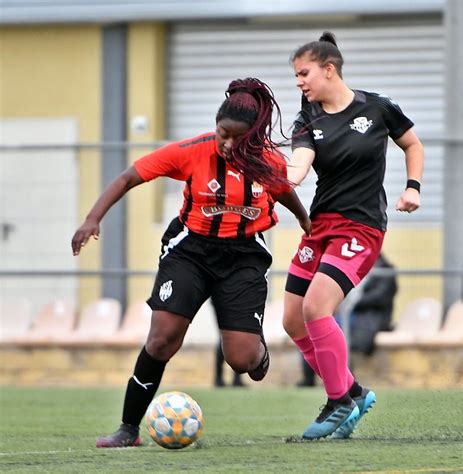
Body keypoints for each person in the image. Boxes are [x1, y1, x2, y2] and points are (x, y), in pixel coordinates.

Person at [71, 77, 312, 448]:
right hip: (190, 252)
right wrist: (92, 219)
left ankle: (255, 349)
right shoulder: (192, 152)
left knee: (242, 360)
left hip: (245, 256)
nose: (228, 143)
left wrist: (305, 220)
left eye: (237, 138)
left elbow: (284, 192)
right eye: (222, 133)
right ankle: (128, 429)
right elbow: (127, 177)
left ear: (253, 137)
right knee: (162, 340)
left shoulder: (267, 162)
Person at [282, 32, 424, 440]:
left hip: (361, 227)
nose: (299, 82)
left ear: (329, 69)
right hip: (320, 227)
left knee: (315, 308)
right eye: (295, 76)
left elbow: (413, 144)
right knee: (293, 321)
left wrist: (413, 186)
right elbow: (299, 167)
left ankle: (337, 401)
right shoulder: (308, 118)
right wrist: (277, 176)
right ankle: (354, 392)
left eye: (304, 73)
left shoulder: (377, 108)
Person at [349, 252, 398, 355]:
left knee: (342, 344)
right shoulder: (355, 269)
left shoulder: (385, 271)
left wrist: (352, 303)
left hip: (371, 318)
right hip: (351, 315)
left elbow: (380, 296)